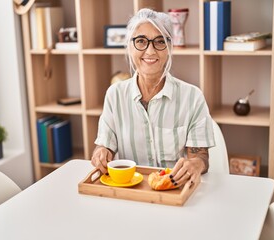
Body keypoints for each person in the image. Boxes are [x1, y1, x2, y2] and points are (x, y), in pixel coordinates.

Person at [91, 8, 215, 186]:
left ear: (169, 48)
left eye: (159, 42)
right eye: (141, 41)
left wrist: (196, 164)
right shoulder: (114, 95)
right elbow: (104, 145)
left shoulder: (192, 97)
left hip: (175, 189)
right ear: (129, 46)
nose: (150, 51)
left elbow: (200, 157)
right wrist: (100, 153)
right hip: (131, 190)